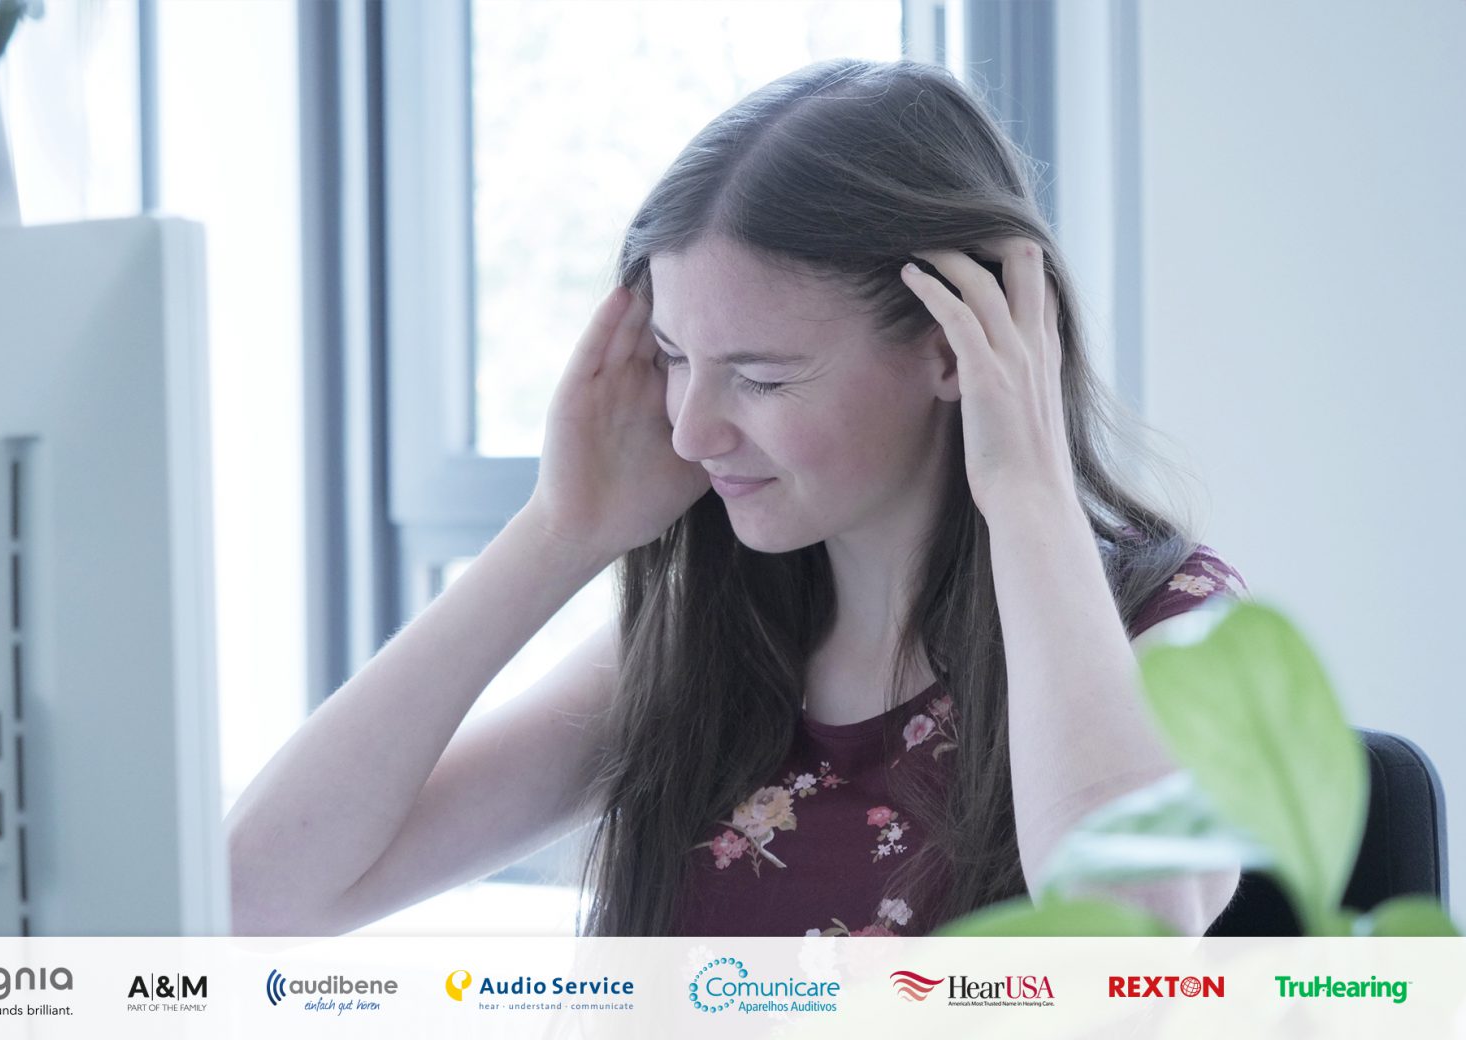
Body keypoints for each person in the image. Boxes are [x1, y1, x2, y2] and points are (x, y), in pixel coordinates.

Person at [225, 57, 1248, 939]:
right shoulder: (707, 643)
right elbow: (252, 895)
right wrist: (557, 534)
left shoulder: (1173, 625)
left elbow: (1132, 930)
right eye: (673, 358)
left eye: (760, 377)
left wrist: (1026, 492)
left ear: (952, 350)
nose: (690, 429)